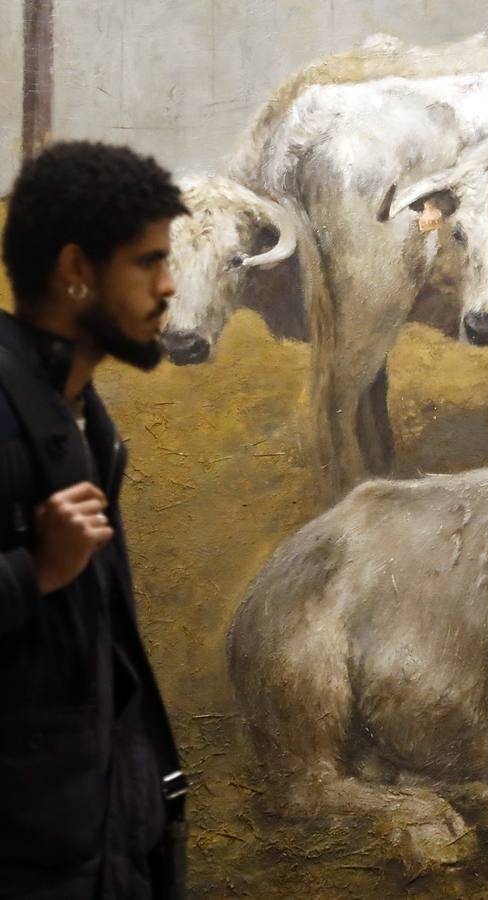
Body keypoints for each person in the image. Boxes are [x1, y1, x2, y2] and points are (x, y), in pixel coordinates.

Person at [0, 141, 190, 899]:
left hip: (100, 848)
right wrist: (33, 571)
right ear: (77, 271)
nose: (169, 285)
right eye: (147, 262)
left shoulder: (87, 423)